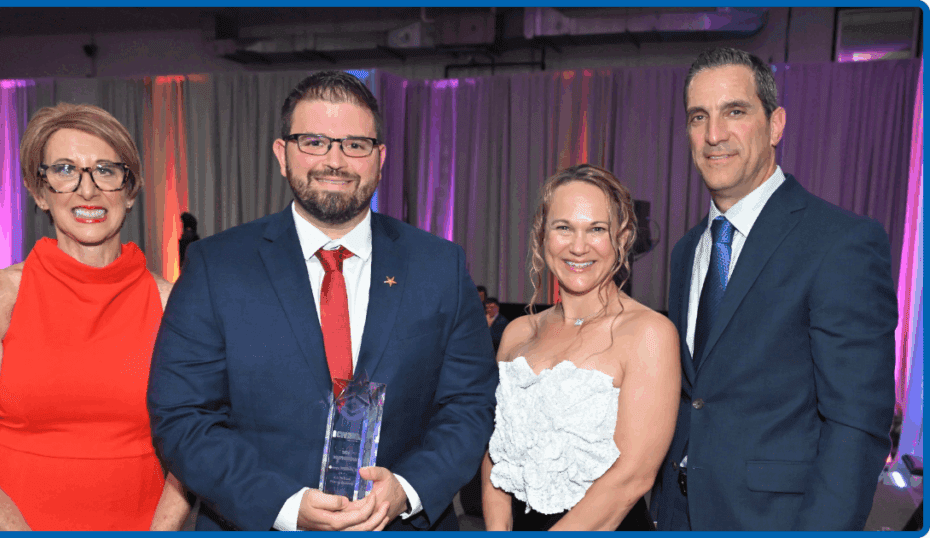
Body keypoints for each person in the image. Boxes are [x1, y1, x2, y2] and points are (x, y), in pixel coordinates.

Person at [147, 71, 498, 531]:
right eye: (314, 141)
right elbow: (182, 415)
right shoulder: (216, 266)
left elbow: (470, 405)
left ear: (379, 158)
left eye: (355, 144)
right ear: (282, 154)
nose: (335, 161)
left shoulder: (440, 266)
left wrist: (408, 489)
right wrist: (284, 506)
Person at [650, 47, 897, 531]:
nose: (714, 134)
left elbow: (856, 426)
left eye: (734, 112)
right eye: (699, 116)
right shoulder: (686, 251)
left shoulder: (840, 241)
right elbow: (697, 397)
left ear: (776, 124)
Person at [0, 103, 190, 531]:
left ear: (130, 190)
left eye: (106, 171)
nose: (86, 191)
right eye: (65, 170)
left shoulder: (175, 305)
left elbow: (189, 459)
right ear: (40, 192)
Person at [481, 164, 680, 531]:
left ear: (621, 238)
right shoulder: (517, 333)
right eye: (564, 227)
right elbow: (497, 454)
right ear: (543, 235)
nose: (577, 246)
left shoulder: (648, 333)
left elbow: (631, 478)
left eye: (596, 229)